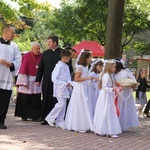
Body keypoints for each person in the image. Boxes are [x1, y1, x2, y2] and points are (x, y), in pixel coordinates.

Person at [35, 35, 63, 125]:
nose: (48, 44)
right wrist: (38, 79)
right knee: (46, 98)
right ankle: (45, 118)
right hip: (47, 79)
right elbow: (41, 67)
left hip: (58, 80)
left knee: (56, 99)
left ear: (55, 43)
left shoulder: (62, 53)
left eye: (49, 42)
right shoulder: (45, 53)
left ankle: (56, 118)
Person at [65, 49, 94, 133]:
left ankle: (85, 123)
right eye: (90, 57)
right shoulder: (80, 67)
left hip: (84, 87)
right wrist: (87, 78)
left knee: (85, 104)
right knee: (80, 104)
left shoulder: (86, 67)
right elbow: (76, 79)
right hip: (80, 88)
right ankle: (78, 124)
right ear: (86, 58)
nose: (91, 59)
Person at [93, 60, 122, 138]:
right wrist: (113, 89)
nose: (115, 69)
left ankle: (107, 130)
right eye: (114, 67)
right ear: (110, 67)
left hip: (108, 95)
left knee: (108, 111)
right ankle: (107, 130)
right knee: (107, 111)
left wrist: (115, 88)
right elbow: (105, 87)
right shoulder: (106, 75)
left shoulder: (110, 75)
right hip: (105, 96)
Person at [0, 26, 21, 129]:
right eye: (12, 33)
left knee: (4, 100)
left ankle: (1, 121)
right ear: (6, 32)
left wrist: (12, 64)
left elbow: (18, 60)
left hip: (7, 77)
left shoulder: (14, 46)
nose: (14, 35)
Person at [15, 42, 42, 121]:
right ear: (32, 49)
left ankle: (35, 116)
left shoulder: (41, 56)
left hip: (37, 80)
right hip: (27, 79)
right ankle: (24, 115)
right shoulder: (26, 56)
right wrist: (24, 82)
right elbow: (23, 69)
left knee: (36, 98)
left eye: (39, 49)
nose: (38, 50)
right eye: (37, 49)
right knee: (25, 98)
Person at [45, 50, 72, 129]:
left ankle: (60, 120)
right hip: (59, 88)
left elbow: (68, 77)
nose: (69, 59)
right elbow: (54, 78)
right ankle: (50, 117)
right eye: (69, 58)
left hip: (65, 88)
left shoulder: (66, 66)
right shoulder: (58, 66)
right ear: (65, 57)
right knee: (61, 103)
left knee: (64, 104)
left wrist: (69, 82)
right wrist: (64, 84)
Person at [114, 61, 139, 131]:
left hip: (126, 92)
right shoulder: (114, 74)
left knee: (125, 108)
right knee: (121, 107)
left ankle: (124, 124)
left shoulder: (126, 72)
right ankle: (119, 124)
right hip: (119, 92)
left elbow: (133, 81)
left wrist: (131, 85)